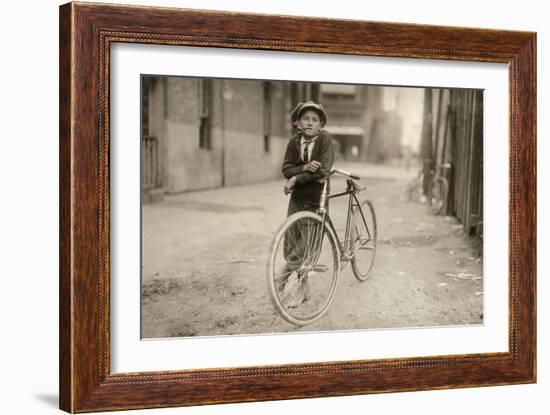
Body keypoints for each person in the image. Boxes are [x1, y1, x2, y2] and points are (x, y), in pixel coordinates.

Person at [276, 100, 335, 306]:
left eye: (315, 120)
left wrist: (295, 178)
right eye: (305, 119)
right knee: (292, 243)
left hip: (315, 199)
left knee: (305, 248)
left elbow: (323, 171)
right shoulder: (294, 142)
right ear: (298, 123)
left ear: (321, 124)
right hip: (296, 200)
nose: (310, 123)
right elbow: (285, 168)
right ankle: (304, 289)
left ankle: (281, 279)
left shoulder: (325, 140)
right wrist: (305, 168)